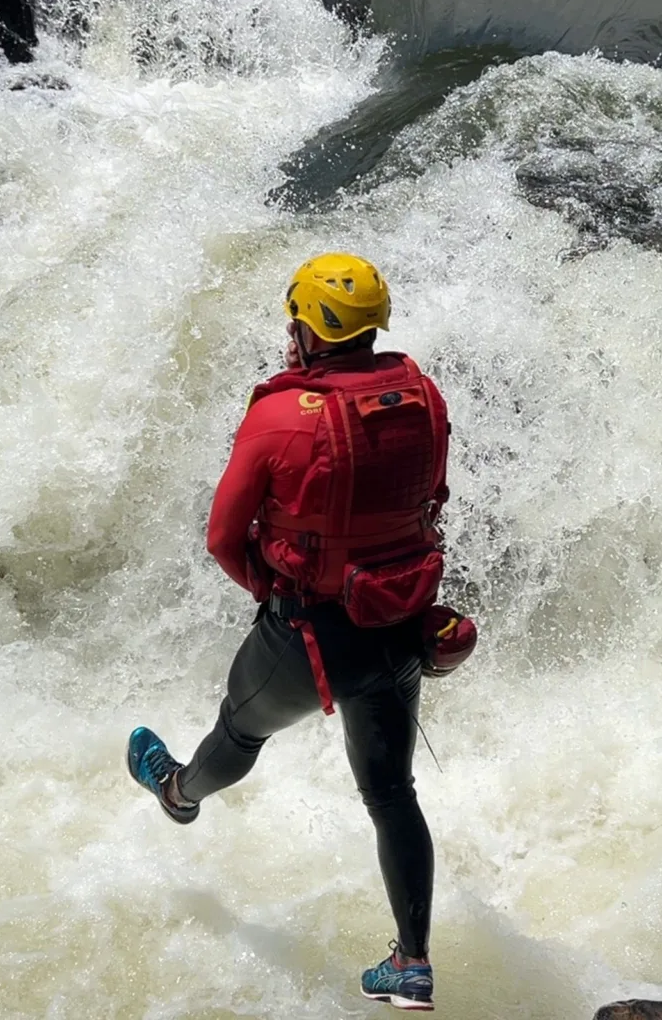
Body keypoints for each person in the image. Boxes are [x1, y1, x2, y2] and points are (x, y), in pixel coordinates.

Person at [127, 252, 461, 1011]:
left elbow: (222, 536)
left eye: (295, 320)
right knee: (391, 794)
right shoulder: (423, 395)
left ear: (309, 328)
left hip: (310, 635)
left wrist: (271, 592)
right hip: (398, 624)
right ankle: (411, 965)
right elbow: (430, 498)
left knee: (238, 735)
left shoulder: (278, 413)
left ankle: (177, 793)